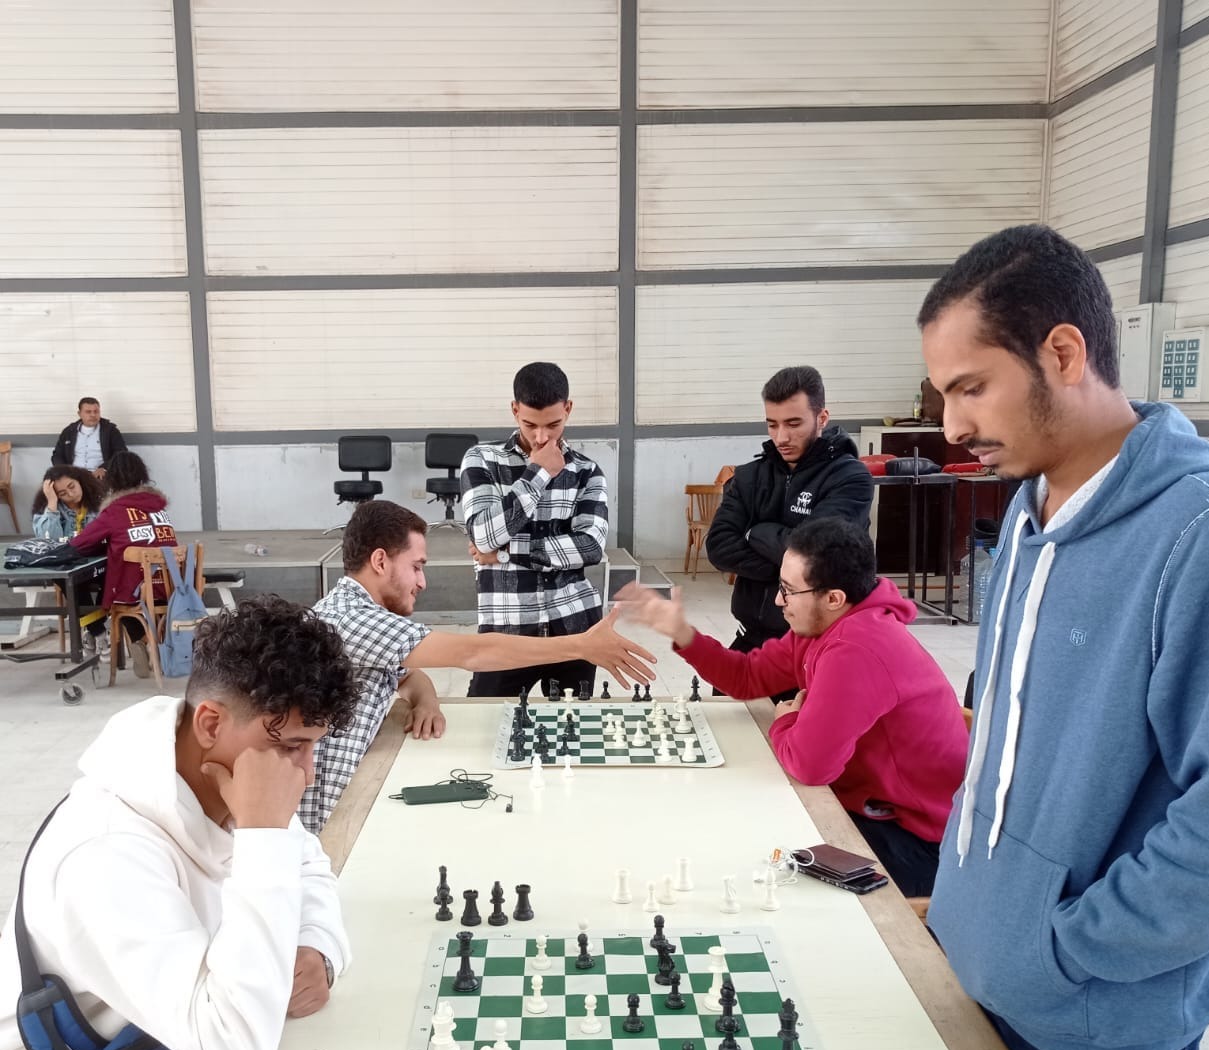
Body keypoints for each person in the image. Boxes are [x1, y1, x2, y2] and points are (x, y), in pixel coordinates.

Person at [917, 224, 1209, 1050]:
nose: (950, 425)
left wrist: (1063, 949)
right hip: (990, 982)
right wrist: (975, 910)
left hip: (1100, 1035)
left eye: (971, 387)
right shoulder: (1028, 515)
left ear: (1064, 353)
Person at [0, 596, 358, 1050]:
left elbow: (309, 867)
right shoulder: (104, 853)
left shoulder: (228, 770)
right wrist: (264, 836)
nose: (306, 773)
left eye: (312, 745)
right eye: (292, 746)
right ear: (211, 723)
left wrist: (317, 944)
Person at [617, 517, 968, 897]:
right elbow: (747, 677)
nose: (778, 600)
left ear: (833, 598)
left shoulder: (857, 649)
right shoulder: (825, 625)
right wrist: (682, 633)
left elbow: (811, 766)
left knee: (755, 865)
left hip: (920, 842)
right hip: (868, 806)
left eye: (788, 590)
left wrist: (788, 720)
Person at [303, 499, 654, 834]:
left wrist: (426, 701)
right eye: (416, 567)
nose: (422, 582)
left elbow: (409, 676)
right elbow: (473, 653)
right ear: (380, 561)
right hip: (326, 819)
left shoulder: (350, 611)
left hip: (349, 793)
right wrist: (581, 645)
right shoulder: (352, 619)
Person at [705, 366, 873, 697]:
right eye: (773, 424)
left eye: (794, 424)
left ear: (822, 418)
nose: (781, 437)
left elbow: (817, 555)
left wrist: (755, 533)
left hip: (816, 651)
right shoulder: (748, 477)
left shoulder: (850, 479)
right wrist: (795, 565)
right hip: (751, 642)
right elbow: (720, 548)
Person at [459, 362, 609, 699]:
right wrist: (538, 474)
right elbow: (484, 535)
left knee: (572, 727)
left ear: (568, 409)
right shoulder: (482, 459)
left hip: (574, 624)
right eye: (530, 425)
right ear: (515, 410)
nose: (541, 437)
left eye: (553, 425)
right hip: (506, 629)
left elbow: (589, 547)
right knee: (485, 719)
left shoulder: (587, 471)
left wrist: (506, 552)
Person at [68, 452, 177, 673]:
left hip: (136, 591)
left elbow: (79, 544)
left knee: (115, 592)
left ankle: (138, 639)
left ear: (111, 480)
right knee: (127, 584)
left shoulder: (115, 511)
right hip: (172, 587)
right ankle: (152, 642)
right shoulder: (160, 509)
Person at [50, 399, 127, 479]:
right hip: (73, 476)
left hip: (100, 476)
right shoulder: (69, 431)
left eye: (96, 411)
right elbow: (57, 455)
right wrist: (65, 471)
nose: (93, 415)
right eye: (88, 412)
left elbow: (121, 454)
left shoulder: (110, 430)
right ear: (79, 414)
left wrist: (104, 468)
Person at [29, 466, 104, 540]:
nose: (71, 494)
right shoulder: (46, 510)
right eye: (63, 493)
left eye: (72, 487)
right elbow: (49, 541)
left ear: (79, 481)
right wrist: (52, 503)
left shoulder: (100, 502)